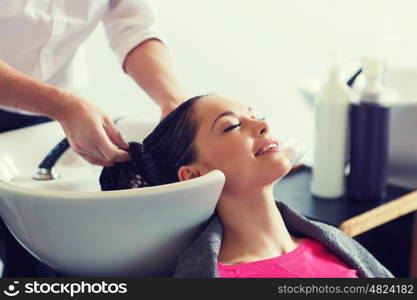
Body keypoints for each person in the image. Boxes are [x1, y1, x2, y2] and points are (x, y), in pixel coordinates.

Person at [100, 94, 393, 278]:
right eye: (231, 126)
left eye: (255, 115)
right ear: (192, 174)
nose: (262, 125)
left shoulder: (330, 243)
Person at [0, 0, 186, 276]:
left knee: (38, 261)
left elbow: (134, 26)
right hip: (55, 105)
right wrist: (62, 105)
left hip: (48, 114)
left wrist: (175, 104)